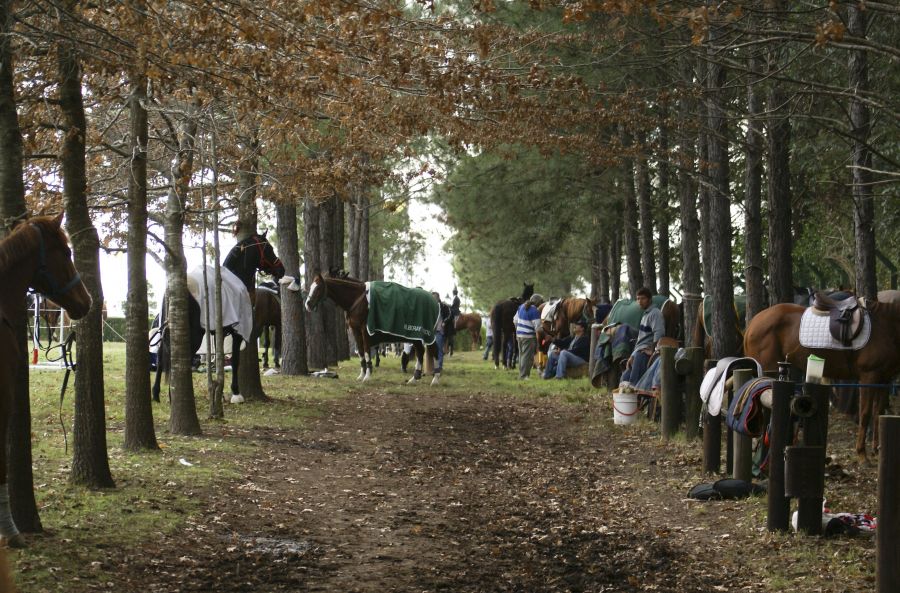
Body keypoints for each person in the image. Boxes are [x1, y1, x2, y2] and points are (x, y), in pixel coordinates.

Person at [619, 287, 665, 391]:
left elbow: (659, 333)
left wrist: (653, 351)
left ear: (649, 299)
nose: (640, 301)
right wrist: (632, 355)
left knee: (633, 385)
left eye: (643, 298)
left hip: (645, 353)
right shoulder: (645, 315)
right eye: (638, 299)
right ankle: (624, 405)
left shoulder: (655, 313)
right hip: (638, 352)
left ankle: (636, 403)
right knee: (624, 379)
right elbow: (641, 340)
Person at [515, 293, 544, 379]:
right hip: (528, 337)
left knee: (521, 355)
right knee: (527, 357)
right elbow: (538, 328)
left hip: (519, 335)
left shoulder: (521, 307)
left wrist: (519, 329)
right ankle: (524, 376)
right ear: (538, 303)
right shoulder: (535, 311)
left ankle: (521, 374)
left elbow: (515, 320)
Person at [433, 292, 452, 373]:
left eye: (434, 298)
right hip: (431, 332)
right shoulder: (430, 306)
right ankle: (430, 367)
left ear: (437, 298)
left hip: (439, 332)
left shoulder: (443, 306)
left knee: (439, 350)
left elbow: (450, 315)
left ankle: (439, 367)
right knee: (431, 351)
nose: (432, 299)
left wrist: (444, 322)